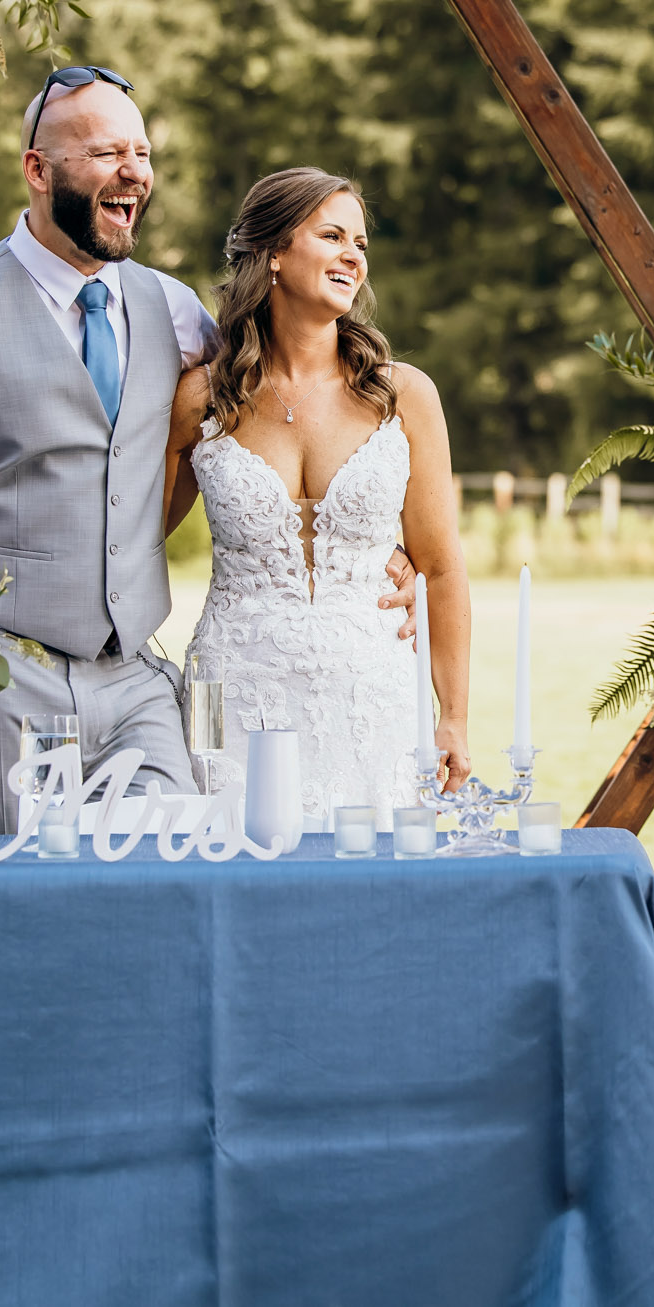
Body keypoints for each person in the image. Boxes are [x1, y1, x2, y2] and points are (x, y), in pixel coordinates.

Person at [0, 67, 217, 835]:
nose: (134, 172)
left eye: (143, 152)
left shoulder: (176, 311)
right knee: (8, 918)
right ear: (38, 170)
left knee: (169, 889)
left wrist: (366, 538)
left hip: (137, 680)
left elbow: (278, 402)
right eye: (105, 153)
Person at [172, 167, 473, 824]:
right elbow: (132, 543)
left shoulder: (404, 397)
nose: (353, 256)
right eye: (333, 235)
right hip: (229, 686)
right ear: (274, 253)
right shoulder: (202, 398)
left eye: (360, 243)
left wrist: (453, 717)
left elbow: (443, 564)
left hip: (373, 692)